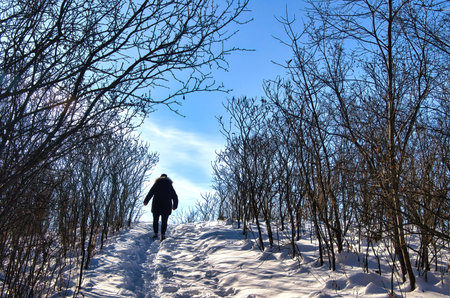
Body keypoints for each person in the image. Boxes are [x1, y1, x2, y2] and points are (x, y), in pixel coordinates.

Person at [144, 174, 178, 241]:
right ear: (167, 178)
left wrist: (146, 201)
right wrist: (175, 205)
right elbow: (174, 196)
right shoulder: (169, 185)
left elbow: (150, 193)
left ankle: (156, 234)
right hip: (166, 205)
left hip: (156, 204)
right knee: (164, 221)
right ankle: (163, 235)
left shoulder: (157, 184)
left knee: (155, 220)